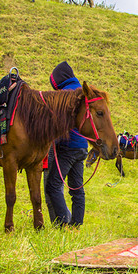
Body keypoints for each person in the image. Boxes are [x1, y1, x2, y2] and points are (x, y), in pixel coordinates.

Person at [43, 61, 88, 227]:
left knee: (53, 186)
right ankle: (77, 225)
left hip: (68, 147)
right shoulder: (80, 92)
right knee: (77, 189)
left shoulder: (64, 95)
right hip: (82, 146)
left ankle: (63, 223)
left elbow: (57, 123)